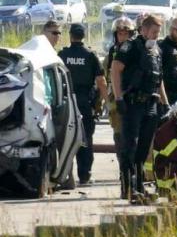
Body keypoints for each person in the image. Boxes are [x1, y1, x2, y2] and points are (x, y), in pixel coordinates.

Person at [111, 14, 169, 202]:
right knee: (131, 147)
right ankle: (128, 188)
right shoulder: (131, 47)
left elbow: (157, 78)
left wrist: (165, 103)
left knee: (144, 149)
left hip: (150, 105)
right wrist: (119, 97)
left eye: (158, 33)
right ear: (143, 29)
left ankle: (139, 187)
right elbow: (115, 69)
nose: (155, 36)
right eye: (153, 32)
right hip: (133, 104)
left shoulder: (156, 50)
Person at [58, 24, 108, 185]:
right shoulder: (90, 55)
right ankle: (84, 176)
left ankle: (65, 175)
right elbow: (101, 81)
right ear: (83, 36)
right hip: (85, 103)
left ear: (71, 36)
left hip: (66, 103)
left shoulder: (62, 55)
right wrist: (104, 102)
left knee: (65, 139)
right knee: (85, 140)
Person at [103, 16, 136, 193]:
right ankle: (125, 177)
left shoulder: (136, 51)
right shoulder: (111, 53)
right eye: (120, 34)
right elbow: (106, 76)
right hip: (116, 106)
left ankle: (137, 177)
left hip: (133, 103)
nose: (123, 37)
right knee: (120, 141)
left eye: (126, 33)